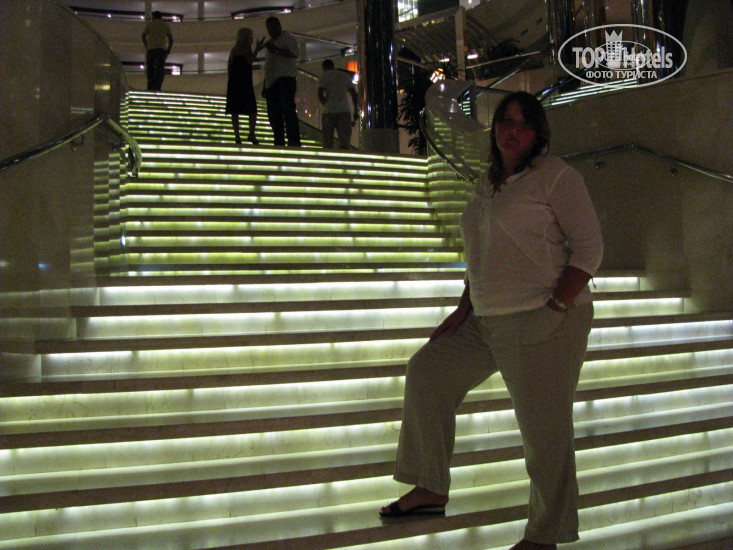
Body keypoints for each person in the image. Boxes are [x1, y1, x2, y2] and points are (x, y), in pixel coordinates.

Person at [379, 91, 603, 550]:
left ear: (538, 133)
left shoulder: (556, 176)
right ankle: (430, 488)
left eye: (522, 123)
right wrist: (465, 307)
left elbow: (590, 249)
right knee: (427, 373)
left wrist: (556, 307)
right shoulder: (486, 183)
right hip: (486, 319)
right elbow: (481, 253)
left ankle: (546, 535)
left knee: (544, 433)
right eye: (504, 121)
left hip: (542, 317)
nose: (511, 130)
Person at [262, 16, 301, 147]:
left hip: (285, 79)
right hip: (271, 83)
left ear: (279, 26)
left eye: (273, 27)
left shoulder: (287, 38)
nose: (271, 30)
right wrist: (265, 85)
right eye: (269, 28)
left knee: (288, 111)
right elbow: (268, 66)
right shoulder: (270, 43)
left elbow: (295, 53)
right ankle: (279, 141)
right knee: (274, 114)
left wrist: (276, 50)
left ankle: (293, 141)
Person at [226, 28, 266, 145]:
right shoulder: (245, 48)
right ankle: (251, 134)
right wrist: (257, 48)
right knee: (252, 109)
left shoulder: (234, 49)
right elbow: (251, 60)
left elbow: (230, 67)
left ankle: (237, 136)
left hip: (235, 82)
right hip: (244, 82)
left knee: (235, 110)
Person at [317, 59, 359, 149]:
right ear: (333, 65)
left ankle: (329, 156)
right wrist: (356, 110)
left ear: (324, 68)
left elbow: (320, 93)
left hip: (329, 111)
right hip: (344, 110)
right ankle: (344, 155)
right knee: (344, 141)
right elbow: (354, 93)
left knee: (328, 141)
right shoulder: (344, 76)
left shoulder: (324, 77)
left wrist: (325, 103)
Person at [142, 11, 173, 91]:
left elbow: (143, 36)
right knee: (160, 69)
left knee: (150, 68)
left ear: (154, 16)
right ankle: (157, 86)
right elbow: (171, 39)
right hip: (161, 49)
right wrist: (168, 50)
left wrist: (147, 46)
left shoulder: (150, 24)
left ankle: (150, 86)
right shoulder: (165, 25)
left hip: (151, 49)